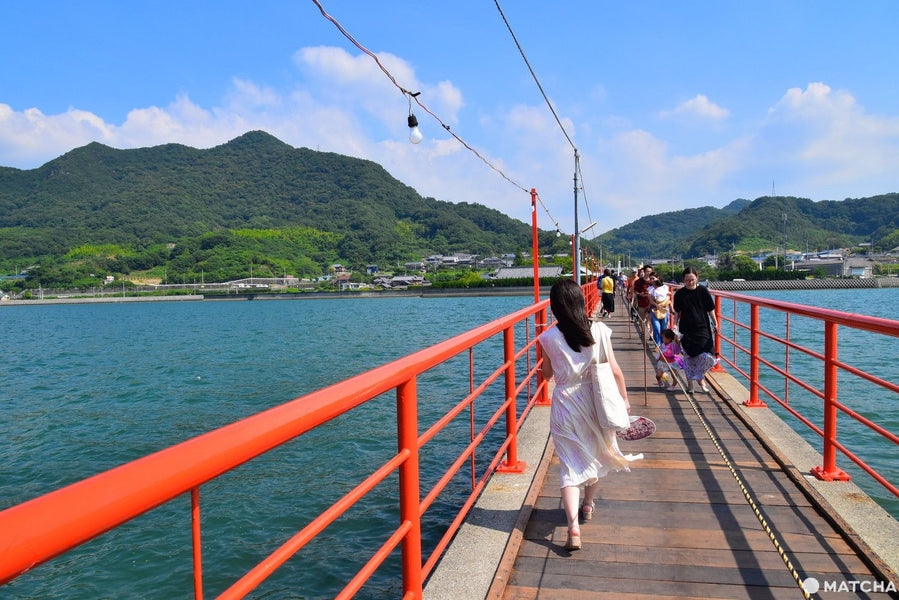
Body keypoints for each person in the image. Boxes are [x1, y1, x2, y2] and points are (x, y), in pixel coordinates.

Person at [537, 279, 642, 551]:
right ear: (581, 302)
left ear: (555, 307)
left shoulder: (548, 338)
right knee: (599, 452)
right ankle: (587, 504)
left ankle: (573, 528)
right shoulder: (600, 331)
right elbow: (615, 369)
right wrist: (625, 399)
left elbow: (547, 374)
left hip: (565, 404)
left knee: (570, 465)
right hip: (597, 400)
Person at [673, 266, 719, 393]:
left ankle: (700, 377)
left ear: (697, 278)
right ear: (683, 280)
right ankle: (690, 385)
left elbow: (710, 309)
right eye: (687, 280)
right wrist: (675, 326)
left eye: (692, 279)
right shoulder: (680, 294)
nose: (690, 282)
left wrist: (715, 323)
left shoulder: (703, 291)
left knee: (708, 355)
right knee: (688, 356)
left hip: (702, 327)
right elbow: (677, 312)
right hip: (686, 328)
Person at [648, 277, 671, 345]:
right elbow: (650, 300)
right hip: (655, 308)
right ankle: (658, 345)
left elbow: (668, 297)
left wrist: (662, 304)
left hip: (664, 308)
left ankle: (663, 343)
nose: (652, 280)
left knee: (664, 327)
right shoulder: (650, 289)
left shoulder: (665, 288)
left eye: (654, 279)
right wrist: (656, 304)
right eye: (651, 279)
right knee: (656, 327)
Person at [633, 266, 654, 332]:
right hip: (642, 303)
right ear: (644, 272)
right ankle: (643, 332)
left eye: (650, 271)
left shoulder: (653, 281)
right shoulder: (638, 281)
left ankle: (650, 334)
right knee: (641, 320)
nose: (649, 273)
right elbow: (635, 291)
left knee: (650, 319)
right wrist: (640, 294)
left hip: (651, 303)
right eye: (647, 271)